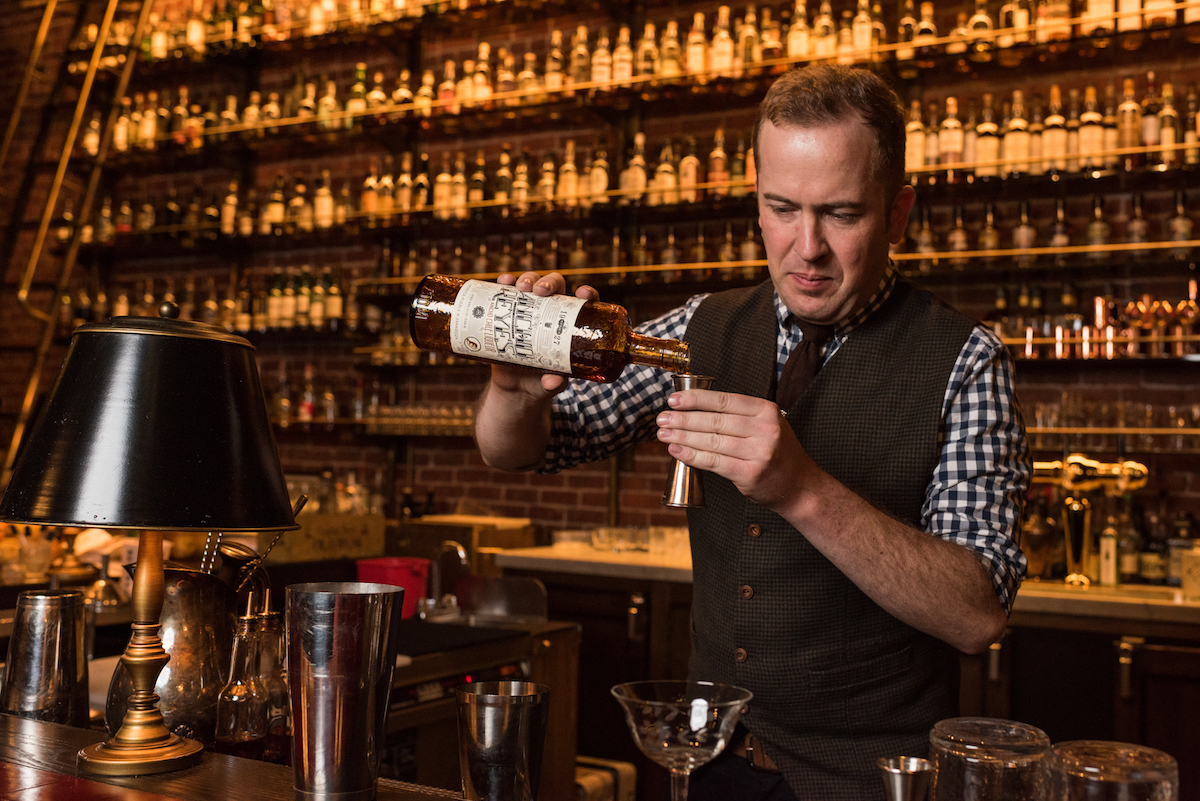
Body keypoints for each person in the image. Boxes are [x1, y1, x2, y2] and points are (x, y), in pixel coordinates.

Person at [474, 63, 1030, 800]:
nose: (807, 247)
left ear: (897, 214)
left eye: (841, 212)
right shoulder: (700, 328)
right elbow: (524, 448)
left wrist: (801, 489)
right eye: (782, 208)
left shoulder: (965, 360)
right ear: (756, 202)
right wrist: (512, 389)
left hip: (873, 782)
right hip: (713, 766)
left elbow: (975, 613)